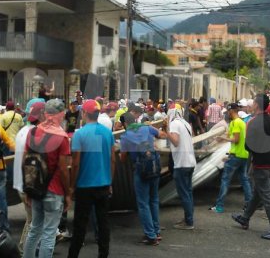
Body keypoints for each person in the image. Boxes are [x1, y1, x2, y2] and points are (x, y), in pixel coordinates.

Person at [231, 94, 270, 242]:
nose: (251, 105)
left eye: (253, 102)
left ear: (257, 105)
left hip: (260, 163)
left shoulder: (253, 123)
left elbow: (248, 146)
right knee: (258, 193)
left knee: (267, 195)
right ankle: (245, 217)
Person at [23, 99, 72, 258]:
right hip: (54, 190)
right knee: (49, 234)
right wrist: (68, 193)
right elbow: (64, 170)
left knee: (34, 229)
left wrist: (27, 190)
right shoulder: (61, 137)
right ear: (61, 114)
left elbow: (25, 161)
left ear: (45, 114)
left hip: (36, 188)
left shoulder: (32, 132)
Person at [68, 100, 115, 258]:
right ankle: (103, 255)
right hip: (103, 184)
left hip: (84, 186)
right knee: (103, 223)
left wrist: (71, 186)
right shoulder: (108, 133)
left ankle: (73, 255)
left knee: (80, 225)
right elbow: (112, 159)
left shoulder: (79, 134)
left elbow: (75, 163)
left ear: (84, 114)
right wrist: (109, 181)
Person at [120, 110, 166, 245]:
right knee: (154, 200)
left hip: (141, 171)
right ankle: (156, 231)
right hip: (155, 167)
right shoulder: (146, 128)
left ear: (124, 123)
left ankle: (150, 236)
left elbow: (122, 159)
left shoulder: (126, 136)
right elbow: (162, 135)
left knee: (143, 203)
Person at [14, 101, 46, 251]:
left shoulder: (23, 131)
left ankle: (24, 247)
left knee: (31, 220)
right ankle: (25, 250)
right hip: (28, 184)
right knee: (34, 221)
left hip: (22, 183)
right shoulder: (34, 133)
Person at [210, 103, 252, 213]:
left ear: (231, 111)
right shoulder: (242, 122)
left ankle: (219, 206)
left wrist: (226, 140)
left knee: (225, 180)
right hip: (243, 155)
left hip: (236, 156)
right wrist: (220, 138)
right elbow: (230, 136)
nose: (227, 114)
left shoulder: (236, 123)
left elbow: (236, 139)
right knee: (244, 180)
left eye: (228, 111)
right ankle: (249, 204)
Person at [166, 107, 197, 230]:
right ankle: (188, 218)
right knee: (188, 192)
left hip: (181, 163)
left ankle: (189, 222)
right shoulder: (186, 124)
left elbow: (176, 142)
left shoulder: (174, 124)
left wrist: (167, 131)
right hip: (190, 162)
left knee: (184, 193)